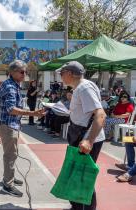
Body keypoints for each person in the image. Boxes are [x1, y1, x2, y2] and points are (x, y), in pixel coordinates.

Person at [56, 61, 106, 210]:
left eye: (62, 73)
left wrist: (89, 141)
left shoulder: (84, 88)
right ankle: (76, 206)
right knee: (76, 174)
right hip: (80, 135)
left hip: (86, 138)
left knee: (83, 177)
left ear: (70, 73)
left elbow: (100, 114)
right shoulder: (80, 87)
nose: (60, 76)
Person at [0, 60, 44, 197]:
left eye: (25, 72)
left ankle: (9, 177)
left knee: (12, 154)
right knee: (10, 155)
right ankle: (7, 183)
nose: (25, 74)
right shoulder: (11, 86)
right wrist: (32, 113)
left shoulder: (13, 84)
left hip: (10, 124)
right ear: (12, 72)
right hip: (8, 125)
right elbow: (11, 109)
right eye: (22, 72)